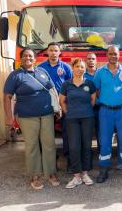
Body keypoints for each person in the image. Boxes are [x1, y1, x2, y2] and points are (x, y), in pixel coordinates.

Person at [3, 48, 60, 190]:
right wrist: (9, 118)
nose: (28, 58)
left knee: (49, 145)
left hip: (46, 114)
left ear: (35, 59)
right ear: (21, 58)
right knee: (32, 146)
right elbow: (7, 97)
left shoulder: (42, 72)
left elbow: (52, 89)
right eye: (25, 56)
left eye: (30, 56)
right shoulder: (15, 75)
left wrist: (57, 107)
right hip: (26, 115)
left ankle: (50, 173)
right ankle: (35, 176)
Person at [94, 45, 122, 183]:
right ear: (107, 55)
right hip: (105, 111)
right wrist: (104, 99)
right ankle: (103, 170)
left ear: (119, 55)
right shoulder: (100, 72)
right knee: (105, 141)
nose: (113, 56)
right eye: (111, 54)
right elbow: (96, 89)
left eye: (116, 54)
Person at [59, 58, 96, 189]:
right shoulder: (66, 84)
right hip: (72, 119)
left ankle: (85, 173)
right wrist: (68, 112)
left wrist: (85, 110)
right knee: (74, 147)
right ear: (72, 68)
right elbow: (62, 101)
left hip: (87, 118)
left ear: (85, 69)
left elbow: (93, 99)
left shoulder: (89, 84)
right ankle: (76, 176)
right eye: (77, 66)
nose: (80, 69)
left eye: (82, 67)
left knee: (86, 146)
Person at [39, 42, 72, 171]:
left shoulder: (66, 68)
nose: (53, 53)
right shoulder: (40, 68)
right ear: (47, 52)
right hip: (46, 106)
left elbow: (70, 85)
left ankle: (70, 161)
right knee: (46, 135)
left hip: (63, 105)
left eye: (56, 50)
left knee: (67, 134)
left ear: (60, 53)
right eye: (51, 50)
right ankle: (51, 162)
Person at [84, 52, 100, 153]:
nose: (91, 61)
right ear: (86, 61)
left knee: (101, 133)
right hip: (87, 108)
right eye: (89, 59)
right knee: (87, 134)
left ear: (96, 61)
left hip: (100, 108)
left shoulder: (102, 73)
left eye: (93, 59)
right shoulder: (81, 74)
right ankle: (87, 156)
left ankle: (101, 155)